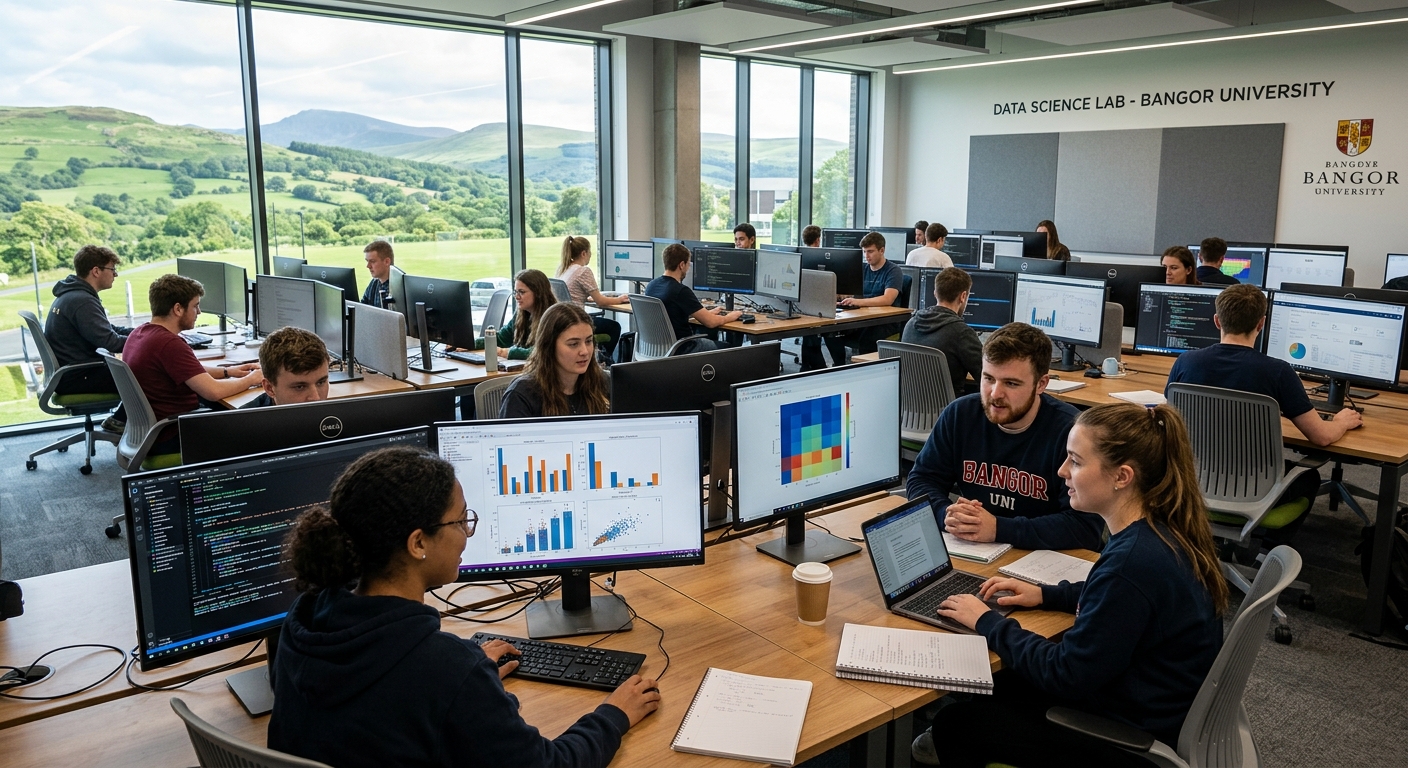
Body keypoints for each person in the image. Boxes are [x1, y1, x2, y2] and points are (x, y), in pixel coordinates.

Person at [269, 446, 659, 767]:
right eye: (460, 522)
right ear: (418, 543)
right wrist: (613, 715)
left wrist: (467, 680)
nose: (467, 535)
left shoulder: (305, 621)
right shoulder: (445, 669)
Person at [913, 403, 1226, 767]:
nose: (1062, 472)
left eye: (1075, 462)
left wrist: (987, 621)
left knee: (957, 723)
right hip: (1151, 700)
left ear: (1121, 476)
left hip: (1129, 737)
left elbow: (1065, 673)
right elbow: (1118, 603)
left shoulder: (1132, 563)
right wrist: (1047, 594)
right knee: (1001, 684)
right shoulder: (1161, 529)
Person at [906, 322, 1105, 551]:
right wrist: (946, 516)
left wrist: (999, 529)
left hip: (1043, 561)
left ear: (1041, 384)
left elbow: (1085, 528)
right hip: (974, 550)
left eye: (1011, 383)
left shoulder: (1071, 432)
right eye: (988, 378)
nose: (995, 394)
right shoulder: (960, 415)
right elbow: (922, 479)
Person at [1166, 284, 1356, 520]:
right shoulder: (1278, 372)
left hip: (1193, 480)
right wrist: (1341, 422)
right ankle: (1268, 549)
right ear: (1261, 323)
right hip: (1257, 490)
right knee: (1310, 477)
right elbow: (1321, 437)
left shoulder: (1185, 362)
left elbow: (1169, 422)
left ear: (1217, 321)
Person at [123, 275, 262, 454]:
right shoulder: (169, 344)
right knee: (257, 415)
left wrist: (229, 372)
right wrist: (252, 379)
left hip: (151, 433)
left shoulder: (141, 333)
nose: (199, 312)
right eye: (195, 305)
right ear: (178, 309)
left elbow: (190, 372)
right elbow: (214, 392)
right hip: (175, 435)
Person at [43, 245, 132, 432]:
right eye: (112, 269)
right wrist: (150, 341)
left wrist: (145, 331)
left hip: (73, 373)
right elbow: (111, 342)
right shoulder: (82, 301)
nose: (115, 274)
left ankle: (122, 420)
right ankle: (122, 421)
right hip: (80, 376)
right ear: (96, 271)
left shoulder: (72, 294)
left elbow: (108, 329)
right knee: (151, 373)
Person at [800, 232, 904, 369]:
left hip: (883, 322)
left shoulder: (893, 271)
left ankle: (856, 368)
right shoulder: (861, 268)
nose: (867, 256)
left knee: (865, 337)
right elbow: (852, 291)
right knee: (829, 331)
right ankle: (838, 367)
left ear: (882, 250)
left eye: (870, 251)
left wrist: (858, 302)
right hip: (860, 316)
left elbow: (888, 299)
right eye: (864, 252)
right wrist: (842, 296)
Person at [500, 303, 611, 419]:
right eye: (573, 344)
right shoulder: (522, 394)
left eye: (588, 341)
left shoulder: (603, 382)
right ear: (549, 346)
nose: (585, 351)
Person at [644, 244, 742, 355]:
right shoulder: (680, 291)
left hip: (654, 349)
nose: (688, 268)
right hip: (681, 348)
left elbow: (669, 312)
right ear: (681, 265)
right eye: (688, 264)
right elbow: (711, 323)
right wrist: (731, 316)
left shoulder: (651, 286)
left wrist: (706, 313)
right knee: (729, 349)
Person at [901, 267, 983, 395]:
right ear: (963, 296)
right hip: (948, 412)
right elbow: (986, 375)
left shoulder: (910, 324)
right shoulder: (961, 333)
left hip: (910, 411)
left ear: (935, 293)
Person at [557, 235, 626, 359]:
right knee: (614, 327)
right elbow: (600, 301)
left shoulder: (564, 269)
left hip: (564, 321)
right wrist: (620, 299)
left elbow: (573, 294)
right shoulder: (583, 271)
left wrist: (585, 297)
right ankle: (603, 360)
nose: (590, 255)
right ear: (584, 253)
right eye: (590, 252)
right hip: (576, 321)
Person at [476, 269, 556, 361]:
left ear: (538, 293)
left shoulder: (553, 317)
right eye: (515, 292)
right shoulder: (521, 314)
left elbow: (543, 351)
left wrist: (508, 352)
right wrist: (470, 344)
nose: (517, 297)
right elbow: (501, 339)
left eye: (521, 292)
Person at [241, 326, 330, 409]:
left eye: (321, 382)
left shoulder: (339, 418)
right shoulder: (242, 423)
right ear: (269, 388)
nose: (316, 398)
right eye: (300, 387)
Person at [360, 239, 395, 308]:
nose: (368, 266)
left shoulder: (399, 288)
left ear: (387, 262)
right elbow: (363, 306)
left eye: (372, 261)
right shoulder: (374, 282)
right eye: (367, 261)